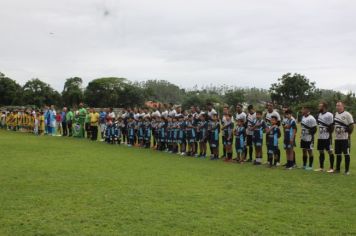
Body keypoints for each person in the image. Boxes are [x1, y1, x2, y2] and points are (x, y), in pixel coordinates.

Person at [333, 101, 354, 175]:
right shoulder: (335, 114)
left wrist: (348, 134)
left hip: (345, 139)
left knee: (346, 154)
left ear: (343, 106)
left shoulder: (347, 114)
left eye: (339, 105)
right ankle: (338, 169)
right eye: (336, 105)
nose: (337, 107)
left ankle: (347, 170)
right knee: (338, 154)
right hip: (337, 138)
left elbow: (351, 126)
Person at [316, 102, 334, 172]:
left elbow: (332, 126)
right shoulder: (319, 114)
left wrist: (329, 133)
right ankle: (321, 167)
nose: (318, 107)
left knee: (330, 152)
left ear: (324, 107)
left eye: (320, 106)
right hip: (320, 137)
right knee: (321, 152)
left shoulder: (329, 115)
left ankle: (331, 168)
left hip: (327, 137)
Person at [300, 106, 317, 170]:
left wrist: (309, 133)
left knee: (309, 151)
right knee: (304, 150)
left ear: (307, 110)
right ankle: (304, 165)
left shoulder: (312, 118)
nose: (302, 111)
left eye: (303, 109)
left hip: (309, 138)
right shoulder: (303, 117)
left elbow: (315, 129)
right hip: (303, 137)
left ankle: (310, 166)